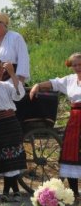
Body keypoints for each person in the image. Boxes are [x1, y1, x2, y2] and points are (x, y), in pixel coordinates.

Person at [29, 52, 81, 201]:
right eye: (75, 65)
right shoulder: (70, 80)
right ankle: (74, 193)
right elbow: (54, 83)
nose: (77, 67)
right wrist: (37, 86)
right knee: (70, 154)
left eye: (80, 64)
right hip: (75, 121)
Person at [0, 58, 26, 202]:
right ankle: (13, 191)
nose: (1, 72)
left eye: (2, 69)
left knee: (13, 157)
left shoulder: (5, 85)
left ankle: (8, 191)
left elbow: (19, 95)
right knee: (5, 158)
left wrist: (12, 74)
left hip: (11, 122)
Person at [0, 12, 30, 83]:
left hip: (11, 82)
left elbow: (23, 60)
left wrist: (20, 83)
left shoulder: (16, 37)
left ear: (4, 23)